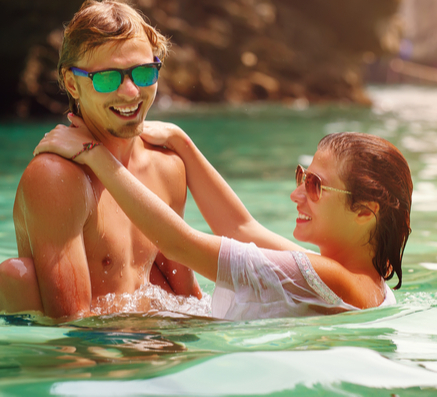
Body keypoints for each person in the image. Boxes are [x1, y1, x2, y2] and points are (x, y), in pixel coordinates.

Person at [34, 119, 412, 320]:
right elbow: (242, 228)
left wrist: (95, 154)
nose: (296, 194)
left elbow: (179, 244)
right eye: (301, 176)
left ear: (365, 211)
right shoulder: (361, 282)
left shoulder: (328, 278)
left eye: (315, 185)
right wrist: (181, 141)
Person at [0, 0, 200, 318]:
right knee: (15, 276)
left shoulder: (167, 168)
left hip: (134, 338)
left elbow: (188, 300)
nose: (130, 92)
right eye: (107, 77)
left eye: (143, 73)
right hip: (79, 343)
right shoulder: (56, 177)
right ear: (72, 83)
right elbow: (73, 325)